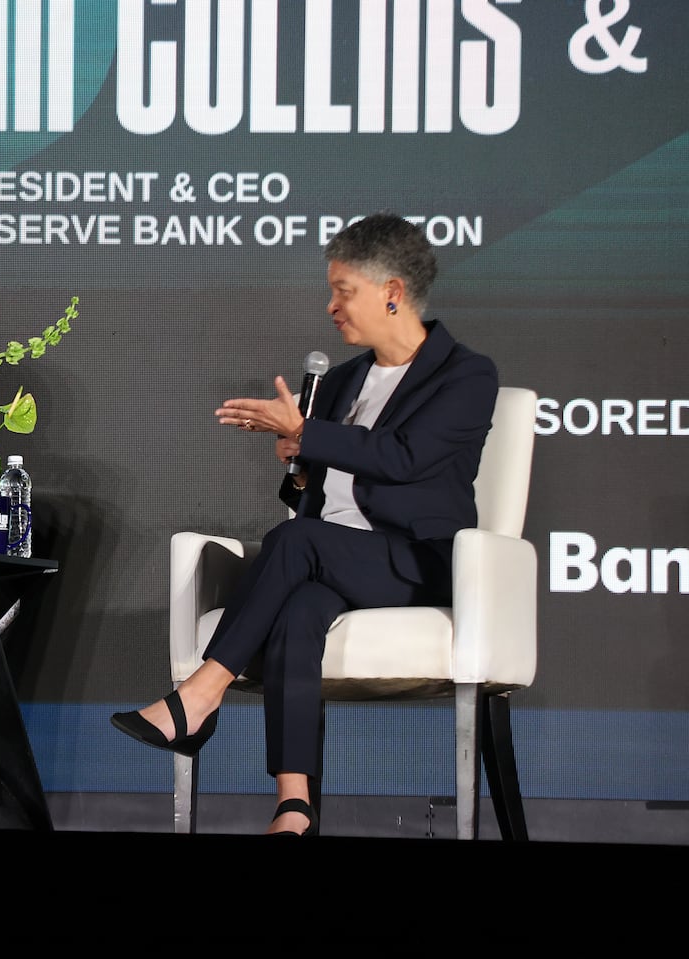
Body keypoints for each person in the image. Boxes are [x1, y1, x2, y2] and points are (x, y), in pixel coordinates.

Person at [111, 212, 498, 836]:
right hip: (332, 556)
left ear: (392, 292)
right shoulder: (344, 380)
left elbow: (404, 460)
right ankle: (295, 804)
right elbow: (312, 499)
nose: (330, 307)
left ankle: (202, 694)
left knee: (295, 542)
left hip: (412, 562)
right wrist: (298, 466)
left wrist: (305, 432)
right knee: (298, 608)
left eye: (343, 291)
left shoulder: (466, 375)